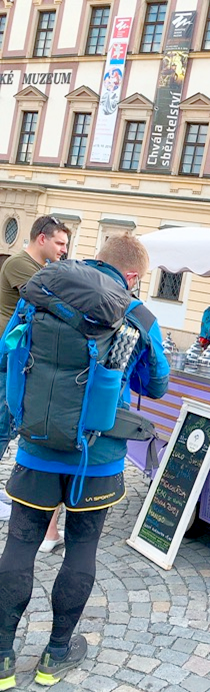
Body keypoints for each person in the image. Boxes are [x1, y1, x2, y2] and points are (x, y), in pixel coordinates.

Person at [0, 233, 169, 690]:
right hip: (98, 457)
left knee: (20, 544)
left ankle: (1, 657)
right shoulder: (136, 313)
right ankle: (56, 654)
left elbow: (5, 355)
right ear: (132, 276)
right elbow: (157, 386)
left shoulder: (44, 290)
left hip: (36, 446)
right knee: (81, 547)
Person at [0, 216, 70, 536]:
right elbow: (51, 296)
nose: (64, 250)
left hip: (18, 360)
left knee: (8, 426)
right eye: (59, 243)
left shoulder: (41, 269)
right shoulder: (19, 264)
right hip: (5, 360)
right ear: (41, 239)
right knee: (2, 425)